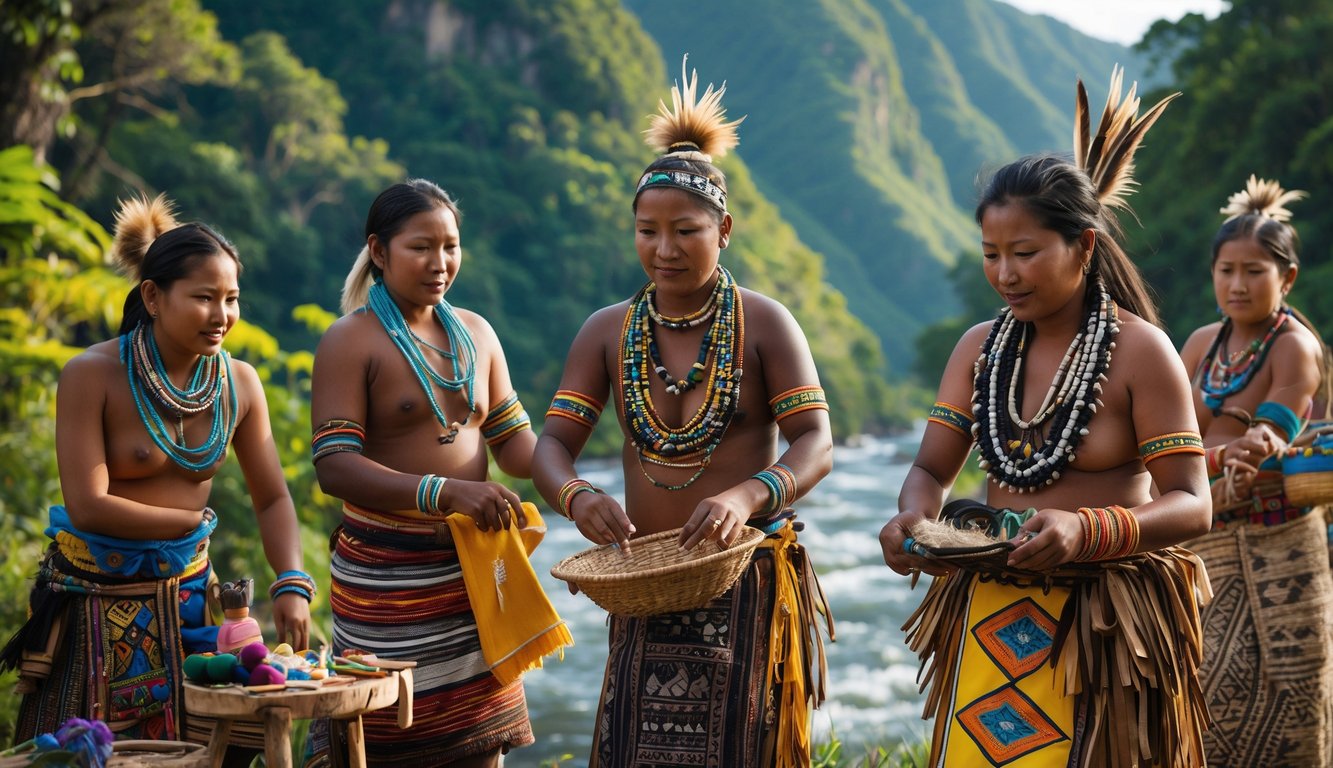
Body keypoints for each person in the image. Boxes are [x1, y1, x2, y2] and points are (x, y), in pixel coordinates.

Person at [879, 69, 1213, 767]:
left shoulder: (1139, 352)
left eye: (1025, 253)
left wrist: (1086, 529)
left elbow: (1191, 504)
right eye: (991, 255)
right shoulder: (977, 349)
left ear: (1083, 246)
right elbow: (927, 468)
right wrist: (913, 519)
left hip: (1109, 628)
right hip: (991, 608)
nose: (1004, 273)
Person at [532, 59, 835, 768]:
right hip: (640, 583)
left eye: (686, 231)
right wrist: (576, 497)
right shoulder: (607, 331)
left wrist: (746, 493)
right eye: (647, 231)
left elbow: (814, 443)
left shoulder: (763, 324)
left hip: (742, 577)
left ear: (723, 228)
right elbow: (551, 445)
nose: (663, 249)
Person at [0, 195, 312, 755]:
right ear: (152, 295)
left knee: (215, 751)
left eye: (232, 299)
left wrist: (291, 581)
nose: (222, 316)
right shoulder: (91, 375)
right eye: (204, 298)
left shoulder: (239, 383)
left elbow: (272, 500)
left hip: (191, 599)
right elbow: (90, 504)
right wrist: (194, 519)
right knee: (86, 757)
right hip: (94, 606)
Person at [309, 179, 569, 768]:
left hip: (476, 573)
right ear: (379, 251)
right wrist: (445, 491)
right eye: (421, 247)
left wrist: (572, 480)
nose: (440, 263)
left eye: (451, 246)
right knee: (377, 735)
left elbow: (514, 445)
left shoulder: (477, 333)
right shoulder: (351, 341)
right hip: (385, 579)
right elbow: (335, 467)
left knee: (481, 742)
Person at [1177, 176, 1333, 767]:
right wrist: (1215, 457)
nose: (1237, 284)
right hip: (1199, 538)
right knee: (1198, 698)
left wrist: (1232, 449)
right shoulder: (1196, 345)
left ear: (1287, 278)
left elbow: (1269, 437)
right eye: (1226, 270)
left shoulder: (1296, 348)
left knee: (1286, 704)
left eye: (1254, 271)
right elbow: (1161, 438)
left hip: (1275, 547)